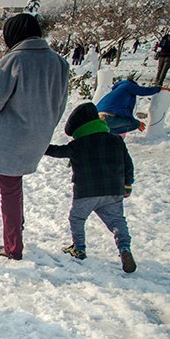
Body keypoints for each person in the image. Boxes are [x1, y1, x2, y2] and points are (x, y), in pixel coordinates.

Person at [0, 13, 69, 261]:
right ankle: (16, 230)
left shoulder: (12, 61)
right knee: (14, 188)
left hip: (12, 137)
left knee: (9, 191)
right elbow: (61, 103)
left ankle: (12, 247)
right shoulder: (59, 63)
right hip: (40, 134)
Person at [45, 102, 136, 273]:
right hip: (113, 190)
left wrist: (38, 146)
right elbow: (128, 164)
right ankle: (124, 248)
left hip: (87, 192)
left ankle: (79, 248)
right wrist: (127, 184)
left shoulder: (79, 144)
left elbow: (57, 151)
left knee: (77, 218)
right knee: (117, 221)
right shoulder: (116, 140)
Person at [96, 74, 165, 135]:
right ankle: (109, 134)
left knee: (132, 122)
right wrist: (159, 89)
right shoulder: (128, 86)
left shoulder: (116, 92)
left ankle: (105, 133)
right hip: (107, 118)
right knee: (134, 124)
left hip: (95, 118)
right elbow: (143, 91)